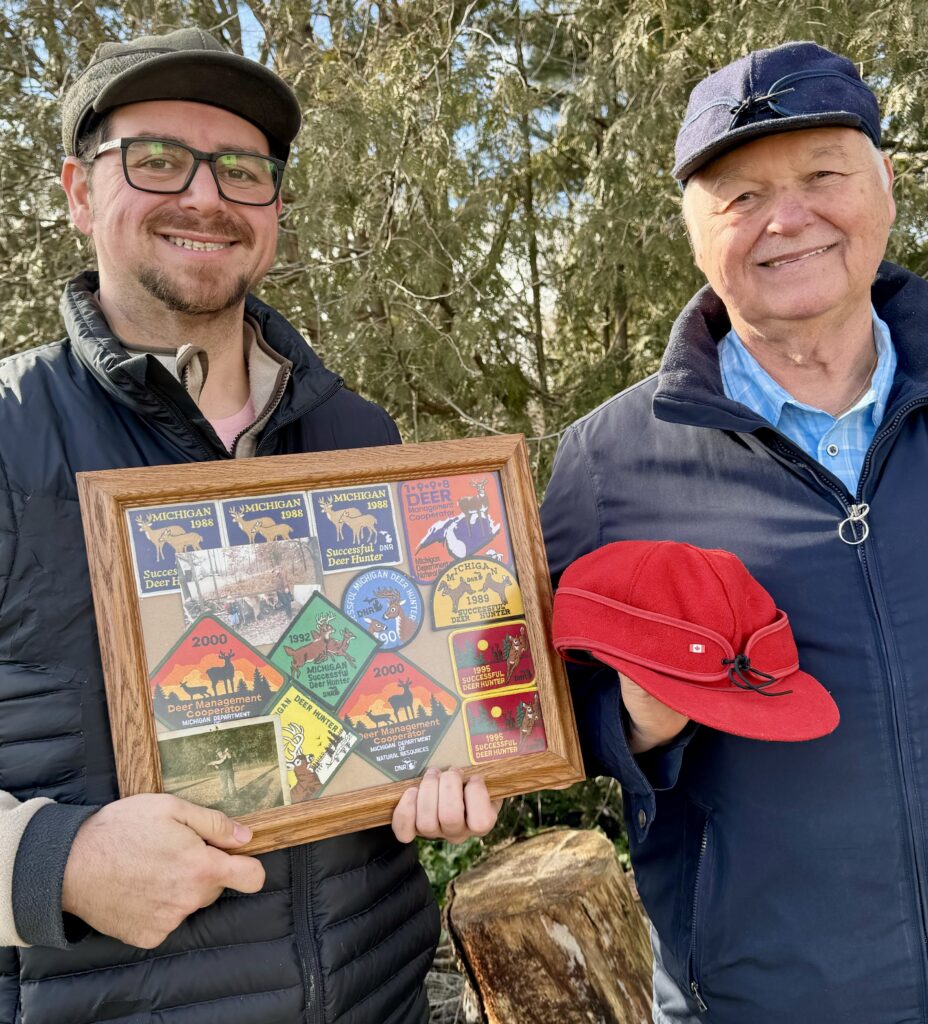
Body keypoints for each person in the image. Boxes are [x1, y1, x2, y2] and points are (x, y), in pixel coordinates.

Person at [0, 28, 497, 1024]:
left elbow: (413, 692)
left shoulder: (359, 437)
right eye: (155, 159)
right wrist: (43, 863)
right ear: (76, 191)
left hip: (380, 995)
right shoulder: (11, 432)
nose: (205, 196)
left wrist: (459, 742)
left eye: (242, 169)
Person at [542, 40, 928, 1024]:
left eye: (820, 174)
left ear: (883, 187)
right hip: (766, 998)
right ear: (695, 234)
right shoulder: (607, 461)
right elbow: (543, 712)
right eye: (739, 196)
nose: (785, 218)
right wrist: (635, 719)